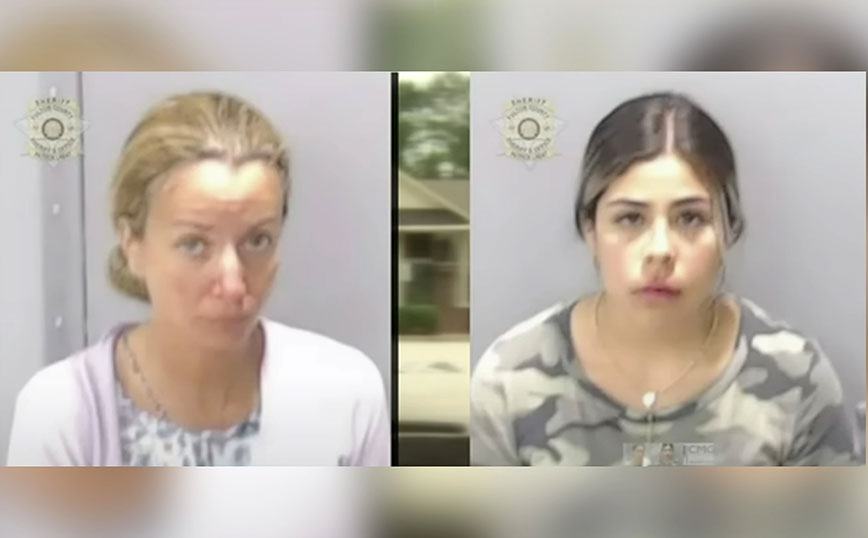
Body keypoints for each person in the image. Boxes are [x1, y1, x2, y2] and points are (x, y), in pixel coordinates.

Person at [470, 91, 857, 466]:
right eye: (630, 218)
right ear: (590, 229)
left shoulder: (796, 379)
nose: (660, 250)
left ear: (730, 230)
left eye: (690, 218)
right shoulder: (510, 380)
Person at [7, 91, 389, 466]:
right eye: (194, 245)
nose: (234, 285)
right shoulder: (61, 413)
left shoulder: (345, 394)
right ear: (132, 244)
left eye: (258, 241)